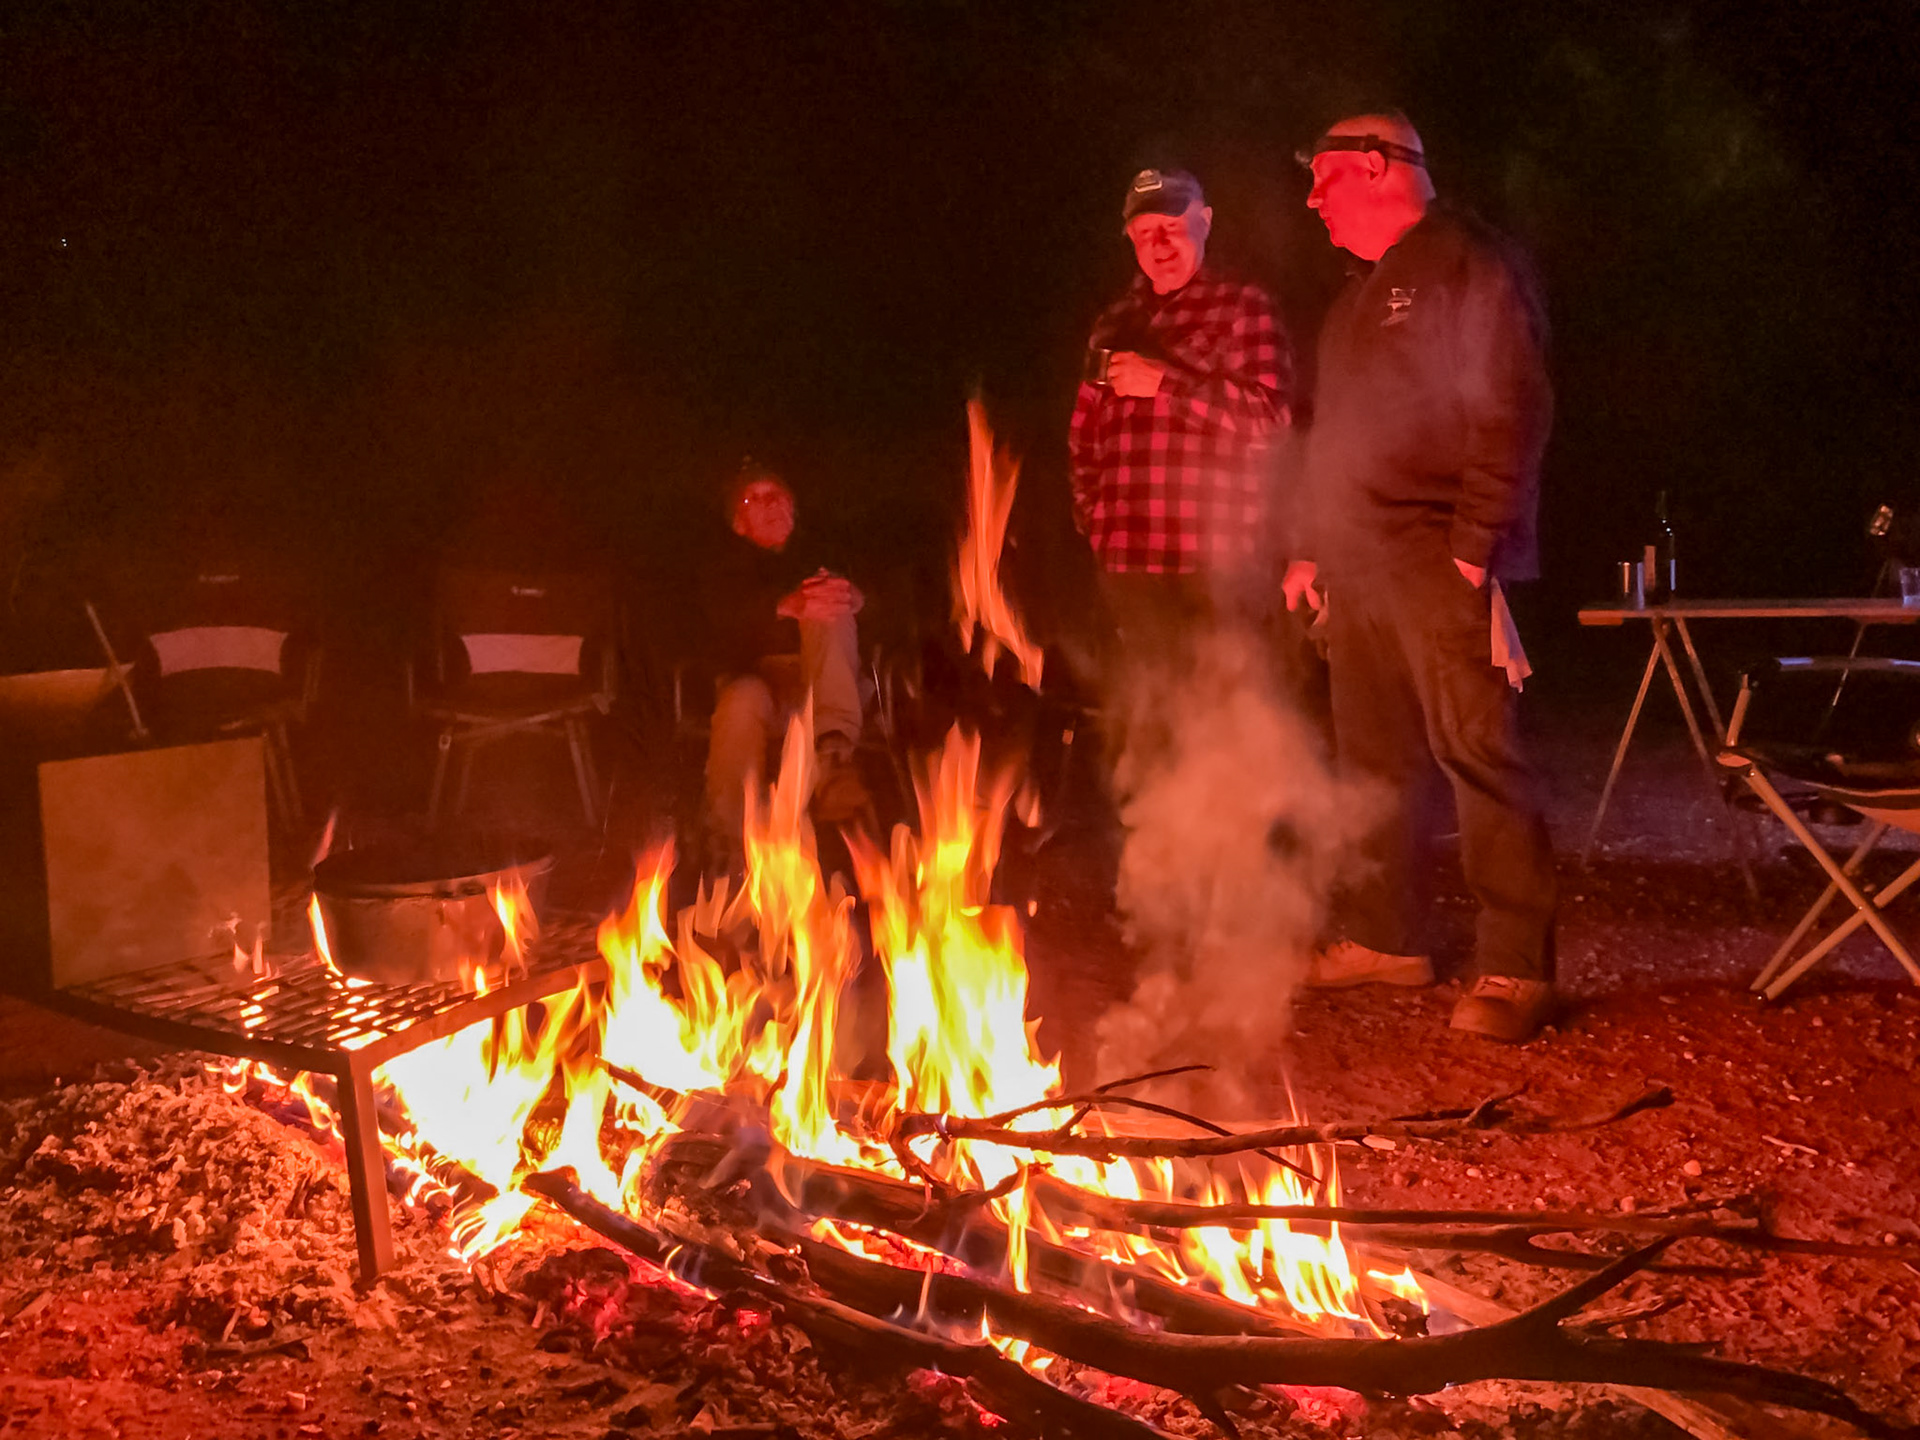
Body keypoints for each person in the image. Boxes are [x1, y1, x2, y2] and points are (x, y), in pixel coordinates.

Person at [1283, 112, 1557, 1043]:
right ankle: (1385, 938)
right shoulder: (1358, 294)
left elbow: (1510, 404)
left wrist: (1475, 545)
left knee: (1478, 754)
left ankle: (1517, 965)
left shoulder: (1466, 262)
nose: (1312, 200)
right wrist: (1314, 545)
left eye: (1324, 179)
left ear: (1376, 165)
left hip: (1438, 552)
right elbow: (1334, 436)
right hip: (1357, 564)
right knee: (1372, 762)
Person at [1068, 167, 1291, 710]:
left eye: (1171, 225)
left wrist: (1166, 383)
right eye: (1144, 233)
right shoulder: (1114, 321)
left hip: (1216, 566)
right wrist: (1096, 521)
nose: (1159, 243)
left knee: (1228, 719)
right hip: (1130, 567)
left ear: (1205, 222)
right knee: (1154, 723)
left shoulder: (1243, 307)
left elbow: (1268, 421)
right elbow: (1084, 435)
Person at [697, 461, 870, 868]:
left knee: (829, 605)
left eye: (775, 494)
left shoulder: (832, 552)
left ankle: (834, 759)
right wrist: (783, 605)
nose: (767, 504)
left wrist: (859, 600)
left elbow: (894, 604)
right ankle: (732, 834)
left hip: (830, 685)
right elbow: (714, 622)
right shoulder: (723, 570)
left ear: (792, 505)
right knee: (741, 699)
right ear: (739, 523)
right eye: (752, 499)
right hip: (762, 685)